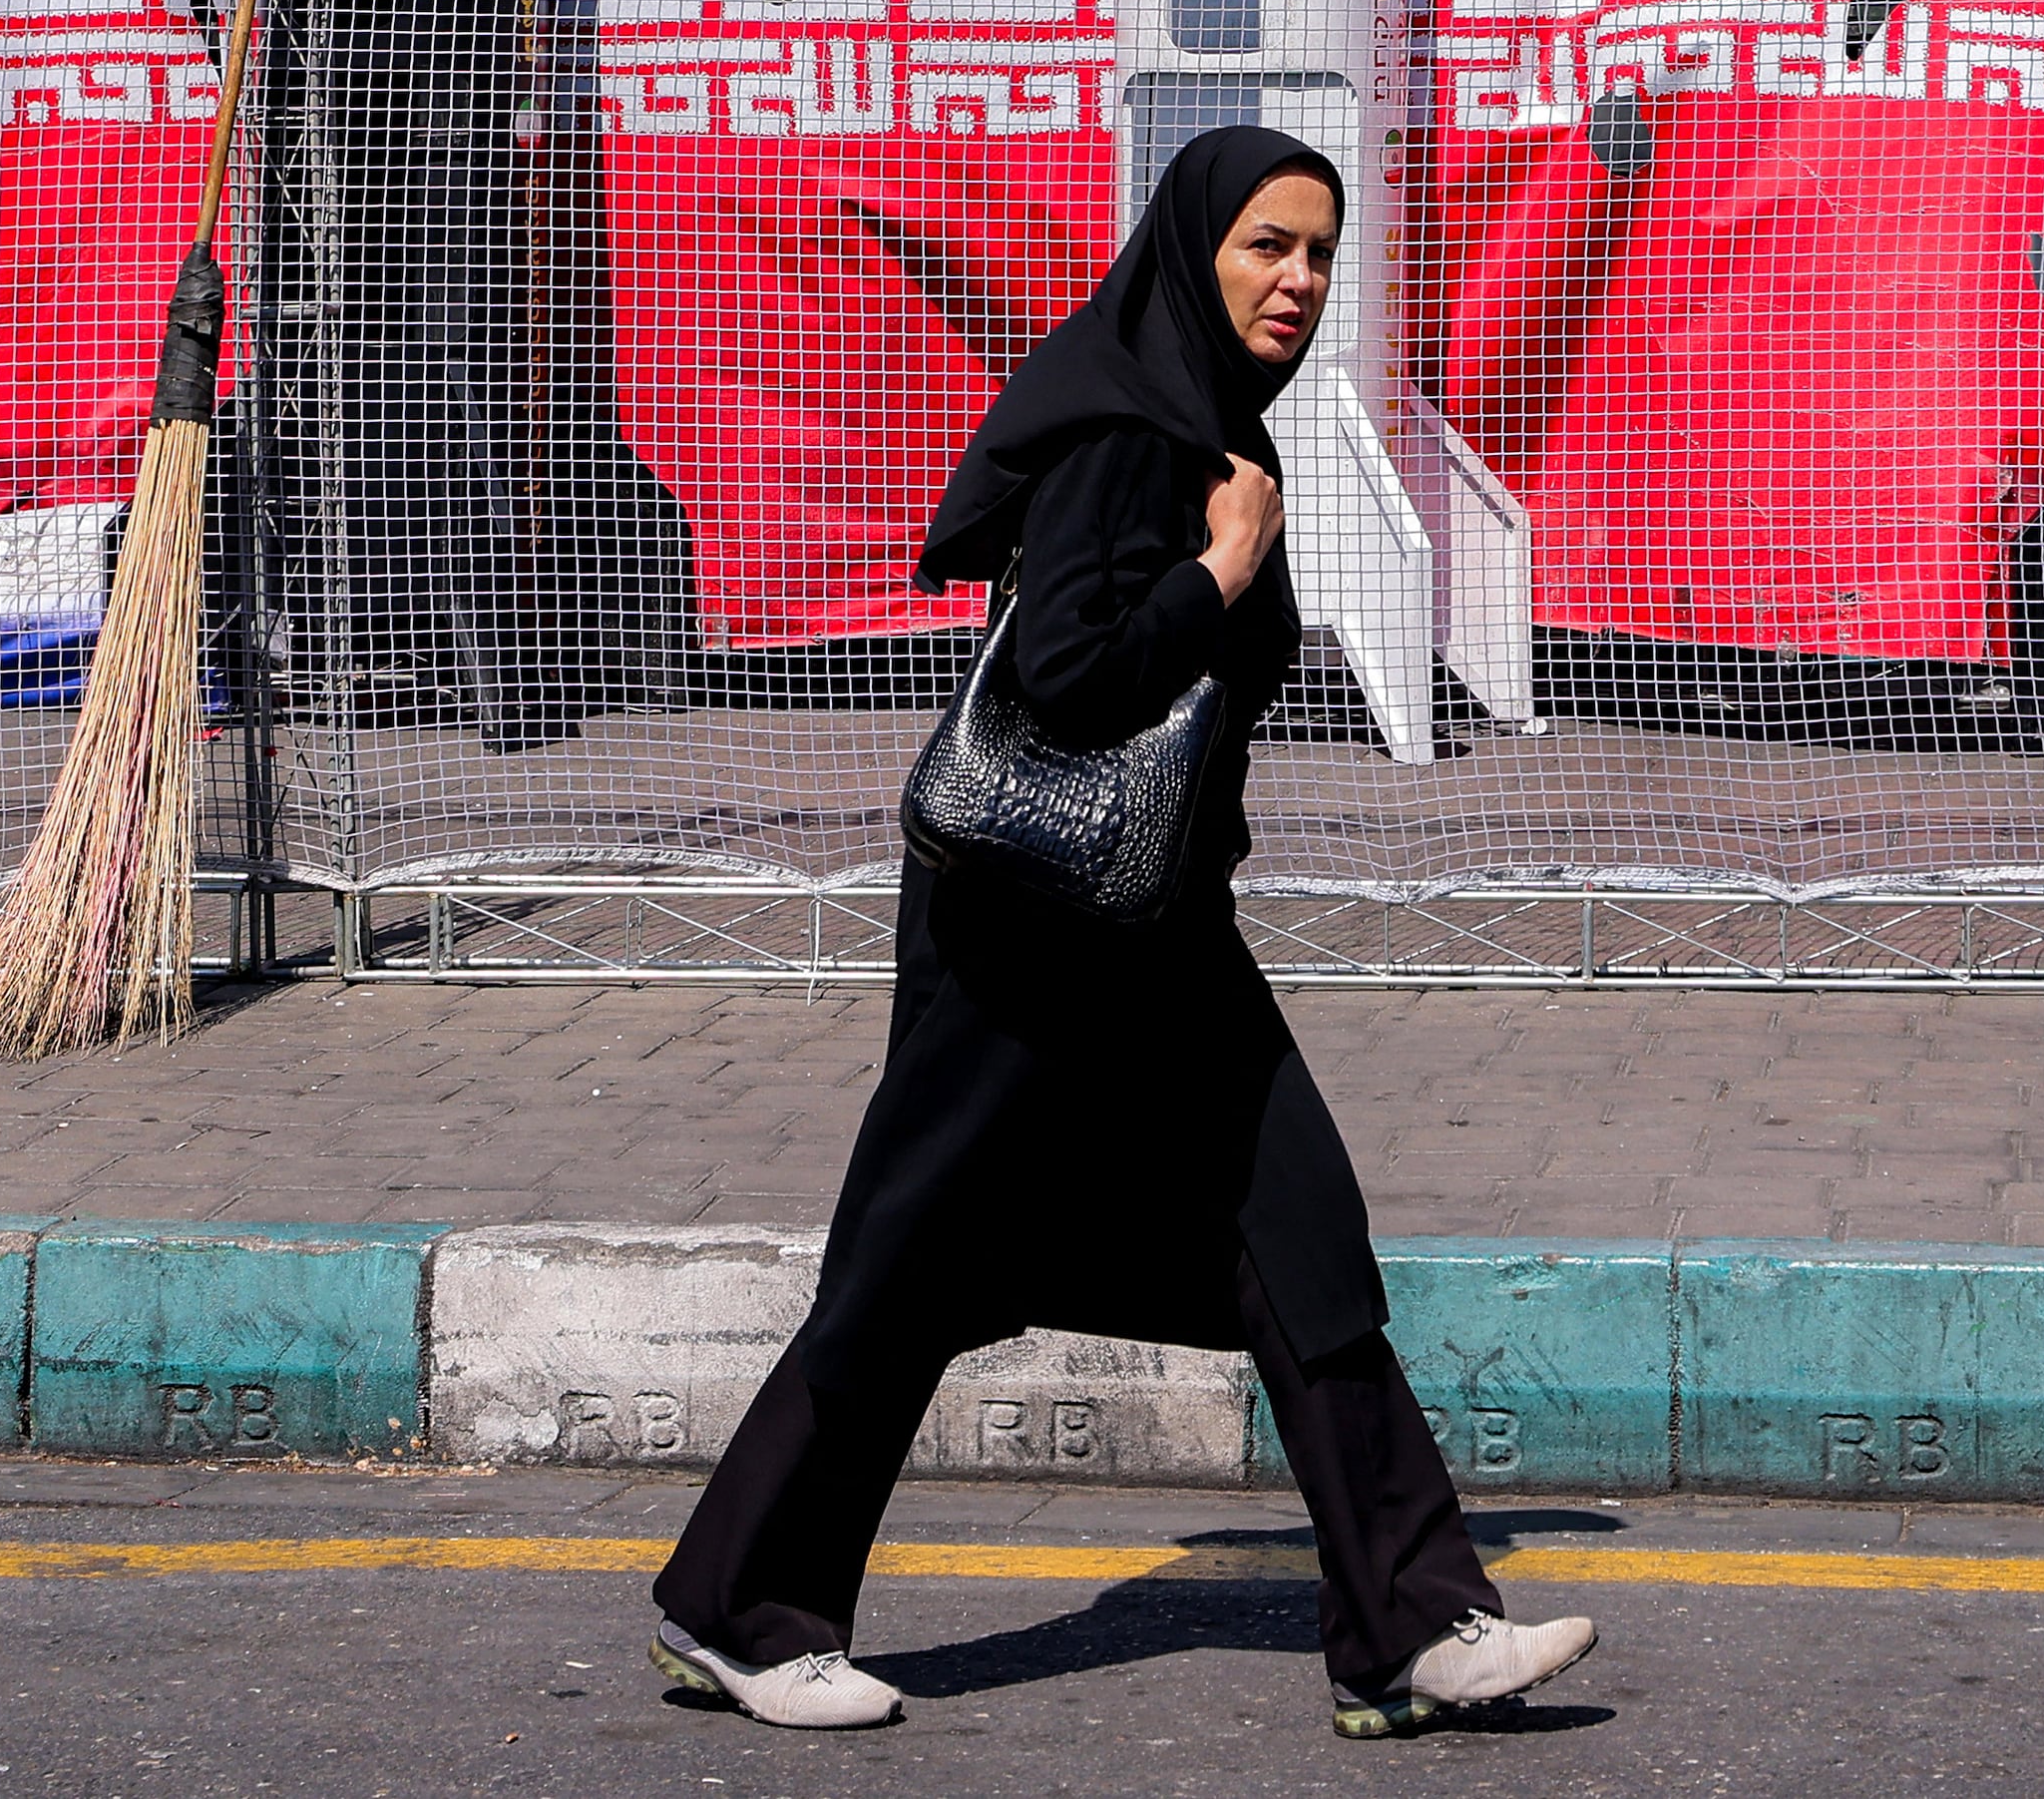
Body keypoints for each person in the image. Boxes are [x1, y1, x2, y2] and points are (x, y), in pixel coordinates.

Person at [649, 124, 1599, 1739]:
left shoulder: (1209, 420)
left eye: (1319, 252)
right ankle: (739, 1606)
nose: (1297, 279)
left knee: (1303, 1233)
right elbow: (1066, 680)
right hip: (1025, 932)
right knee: (905, 1265)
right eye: (1265, 247)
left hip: (1151, 922)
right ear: (1192, 249)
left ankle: (1414, 1618)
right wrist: (1222, 571)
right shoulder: (1133, 433)